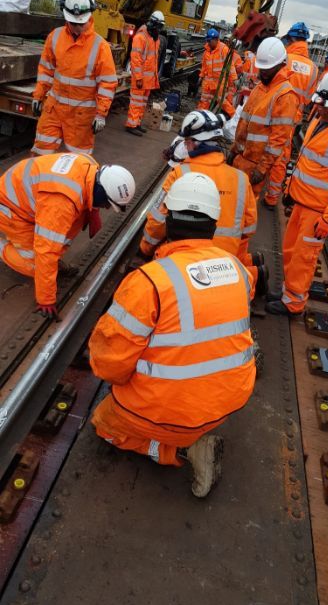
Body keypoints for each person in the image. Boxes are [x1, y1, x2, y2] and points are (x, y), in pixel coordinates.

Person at [89, 172, 256, 498]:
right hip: (229, 400)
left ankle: (180, 451)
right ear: (212, 225)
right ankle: (185, 433)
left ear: (169, 221)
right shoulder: (237, 268)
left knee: (105, 424)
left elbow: (110, 365)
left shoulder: (148, 281)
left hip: (170, 413)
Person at [139, 109, 265, 291]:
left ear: (191, 143)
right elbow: (249, 228)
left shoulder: (179, 174)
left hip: (186, 263)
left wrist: (145, 249)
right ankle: (252, 271)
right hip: (224, 265)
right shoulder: (240, 179)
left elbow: (158, 222)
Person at [0, 153, 135, 318]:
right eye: (107, 203)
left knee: (63, 230)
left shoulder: (91, 166)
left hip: (30, 198)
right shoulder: (61, 203)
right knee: (35, 265)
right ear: (100, 192)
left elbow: (87, 190)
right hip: (12, 210)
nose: (107, 208)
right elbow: (47, 251)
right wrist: (46, 300)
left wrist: (92, 212)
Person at [266, 67, 328, 316]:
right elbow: (305, 161)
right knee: (289, 251)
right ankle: (289, 291)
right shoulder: (319, 120)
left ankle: (294, 303)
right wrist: (289, 188)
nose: (321, 109)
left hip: (317, 211)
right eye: (320, 104)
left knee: (303, 259)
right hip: (301, 201)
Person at [31, 0, 117, 156]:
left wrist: (100, 114)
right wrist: (38, 96)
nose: (78, 28)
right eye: (73, 23)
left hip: (81, 117)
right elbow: (46, 71)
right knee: (41, 153)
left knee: (78, 161)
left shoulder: (100, 46)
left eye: (81, 24)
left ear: (89, 18)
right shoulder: (55, 37)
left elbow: (107, 84)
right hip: (54, 109)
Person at [230, 37, 299, 209]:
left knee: (244, 210)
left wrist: (262, 168)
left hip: (255, 164)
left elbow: (278, 139)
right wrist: (234, 150)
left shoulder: (285, 96)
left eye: (268, 69)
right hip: (242, 158)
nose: (264, 72)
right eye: (263, 68)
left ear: (280, 65)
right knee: (230, 204)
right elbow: (244, 123)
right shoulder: (260, 88)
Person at [125, 11, 165, 136]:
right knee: (136, 103)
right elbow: (135, 60)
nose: (159, 29)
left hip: (148, 80)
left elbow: (153, 60)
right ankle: (131, 125)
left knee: (141, 103)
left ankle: (137, 123)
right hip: (140, 79)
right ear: (153, 24)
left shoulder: (154, 39)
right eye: (158, 26)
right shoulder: (140, 38)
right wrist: (138, 78)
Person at [198, 29, 237, 118]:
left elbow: (230, 66)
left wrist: (234, 79)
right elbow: (204, 66)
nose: (208, 43)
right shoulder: (206, 51)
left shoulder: (223, 49)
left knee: (222, 102)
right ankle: (200, 117)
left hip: (219, 82)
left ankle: (234, 116)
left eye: (209, 41)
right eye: (207, 40)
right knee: (204, 101)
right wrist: (201, 76)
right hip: (208, 83)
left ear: (216, 39)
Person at [284, 22, 318, 125]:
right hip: (295, 116)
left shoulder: (284, 59)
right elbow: (308, 98)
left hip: (276, 112)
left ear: (292, 39)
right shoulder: (314, 68)